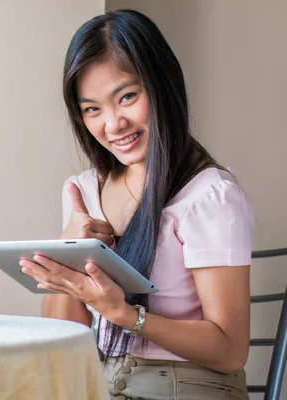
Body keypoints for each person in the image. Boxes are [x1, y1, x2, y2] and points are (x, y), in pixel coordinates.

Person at [19, 9, 255, 400]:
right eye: (92, 109)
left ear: (162, 87)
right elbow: (61, 338)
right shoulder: (83, 191)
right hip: (101, 384)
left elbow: (230, 349)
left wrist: (124, 315)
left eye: (127, 97)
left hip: (192, 387)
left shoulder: (208, 194)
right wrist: (67, 255)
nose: (113, 124)